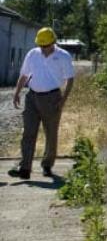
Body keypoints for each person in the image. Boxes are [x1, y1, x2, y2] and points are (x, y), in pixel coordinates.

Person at [7, 27, 74, 179]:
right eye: (41, 45)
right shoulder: (32, 54)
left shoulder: (63, 56)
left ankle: (47, 165)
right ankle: (25, 168)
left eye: (46, 45)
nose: (43, 48)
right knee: (28, 133)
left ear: (53, 42)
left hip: (52, 98)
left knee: (51, 134)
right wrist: (17, 92)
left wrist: (62, 101)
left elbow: (70, 80)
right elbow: (24, 74)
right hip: (32, 97)